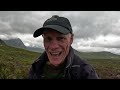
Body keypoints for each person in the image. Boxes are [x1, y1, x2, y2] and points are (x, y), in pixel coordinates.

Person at [29, 15, 99, 79]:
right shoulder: (36, 67)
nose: (53, 47)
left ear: (71, 39)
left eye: (61, 38)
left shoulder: (85, 73)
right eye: (48, 39)